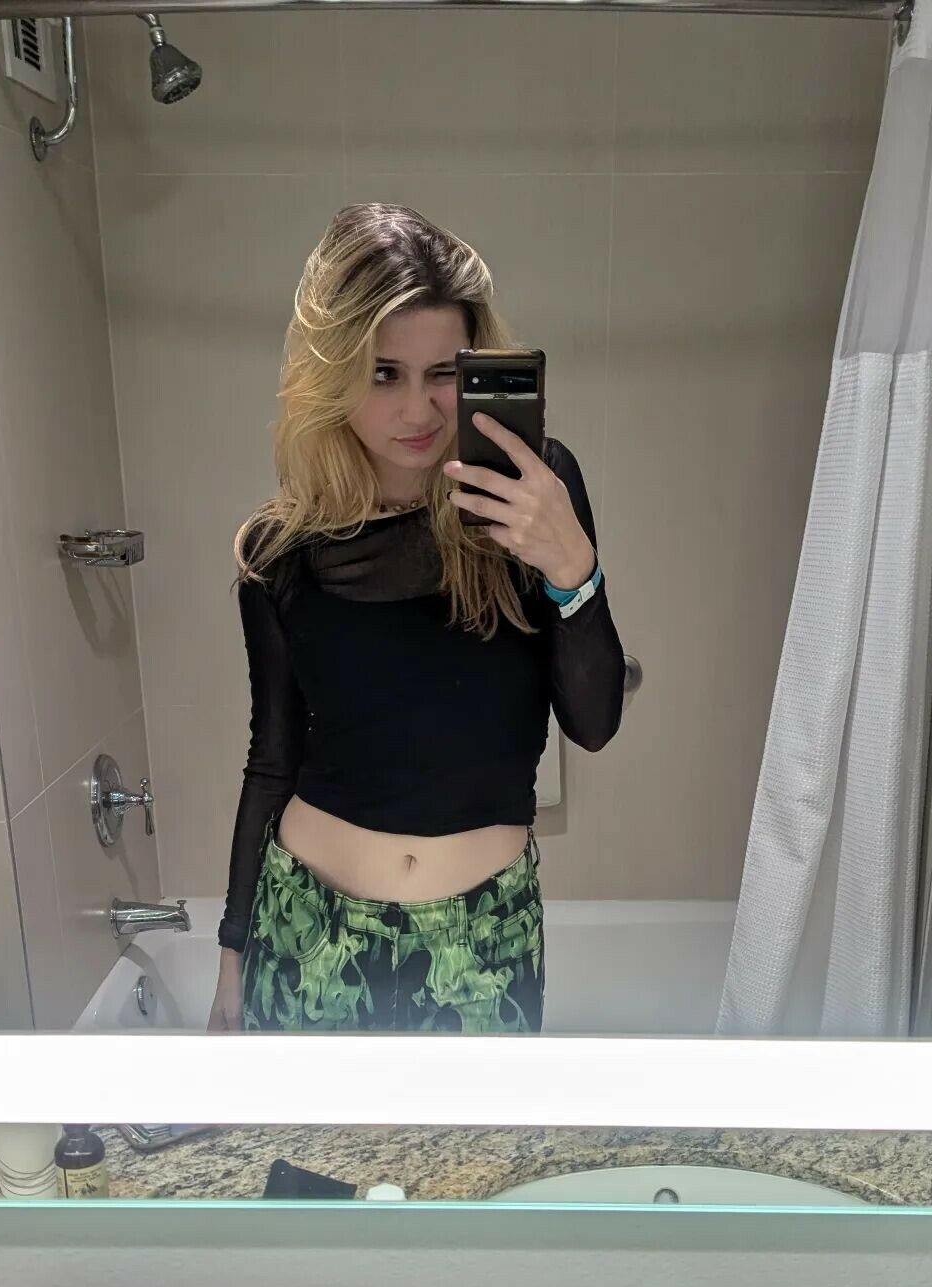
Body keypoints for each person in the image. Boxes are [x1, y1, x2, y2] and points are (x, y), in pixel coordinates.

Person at [206, 203, 626, 1034]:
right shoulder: (281, 547)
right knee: (297, 1130)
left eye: (440, 373)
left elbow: (594, 722)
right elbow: (272, 758)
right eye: (383, 372)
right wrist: (231, 950)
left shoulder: (534, 493)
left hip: (482, 937)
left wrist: (572, 569)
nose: (418, 411)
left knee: (483, 1132)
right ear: (334, 372)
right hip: (306, 926)